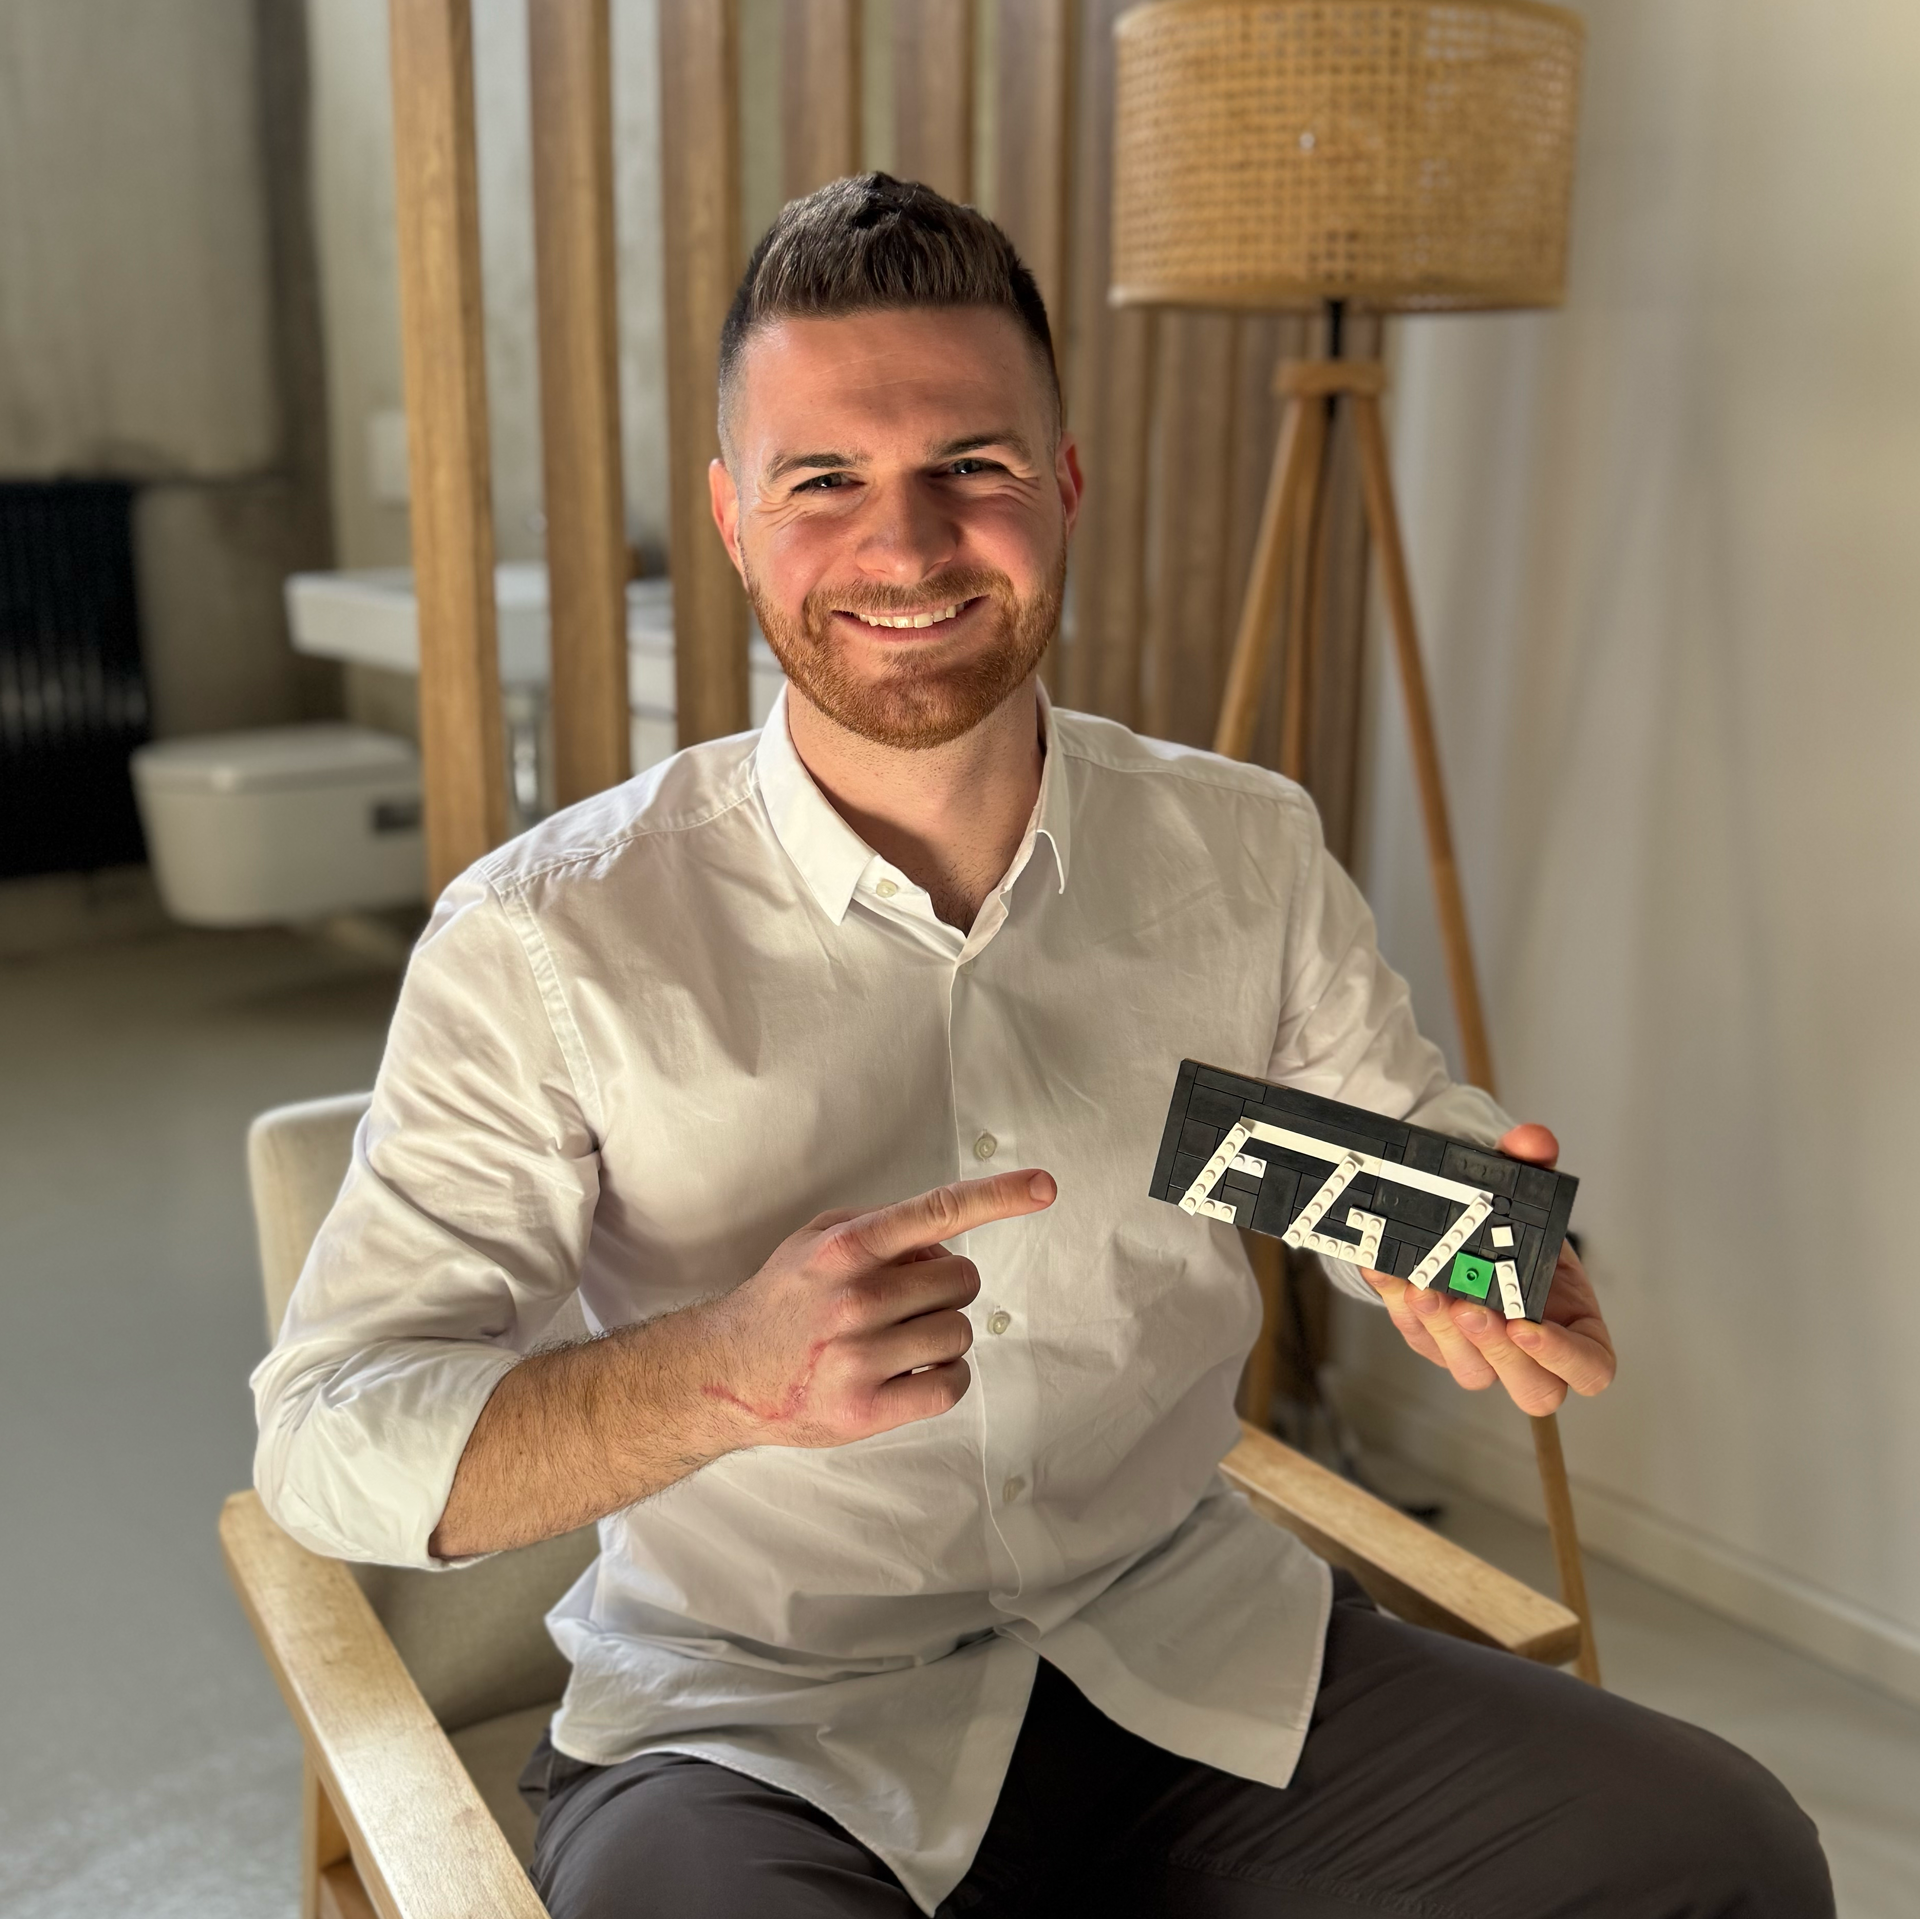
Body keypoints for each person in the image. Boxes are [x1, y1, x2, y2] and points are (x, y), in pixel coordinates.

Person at [252, 174, 1830, 1918]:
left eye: (973, 465)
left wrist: (1481, 1248)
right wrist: (720, 1374)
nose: (909, 544)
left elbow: (1387, 1151)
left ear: (1064, 483)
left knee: (1727, 1853)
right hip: (759, 1729)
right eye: (824, 479)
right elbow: (328, 1436)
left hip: (1197, 1651)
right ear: (731, 517)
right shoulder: (546, 936)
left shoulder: (1240, 854)